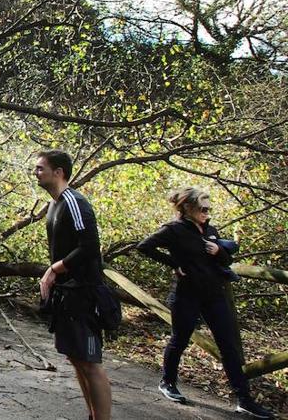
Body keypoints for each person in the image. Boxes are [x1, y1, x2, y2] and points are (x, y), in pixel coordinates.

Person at [136, 188, 275, 418]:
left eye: (209, 209)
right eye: (203, 208)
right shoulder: (174, 230)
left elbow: (226, 260)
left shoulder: (210, 230)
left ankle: (244, 399)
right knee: (179, 340)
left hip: (214, 294)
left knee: (228, 345)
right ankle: (168, 382)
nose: (207, 213)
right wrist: (173, 264)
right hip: (187, 294)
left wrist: (219, 249)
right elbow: (144, 247)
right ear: (188, 207)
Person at [34, 149, 111, 420]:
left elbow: (90, 246)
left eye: (41, 168)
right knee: (76, 359)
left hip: (84, 295)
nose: (36, 172)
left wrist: (54, 270)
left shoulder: (74, 202)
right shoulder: (54, 205)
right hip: (66, 296)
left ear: (59, 172)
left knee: (90, 363)